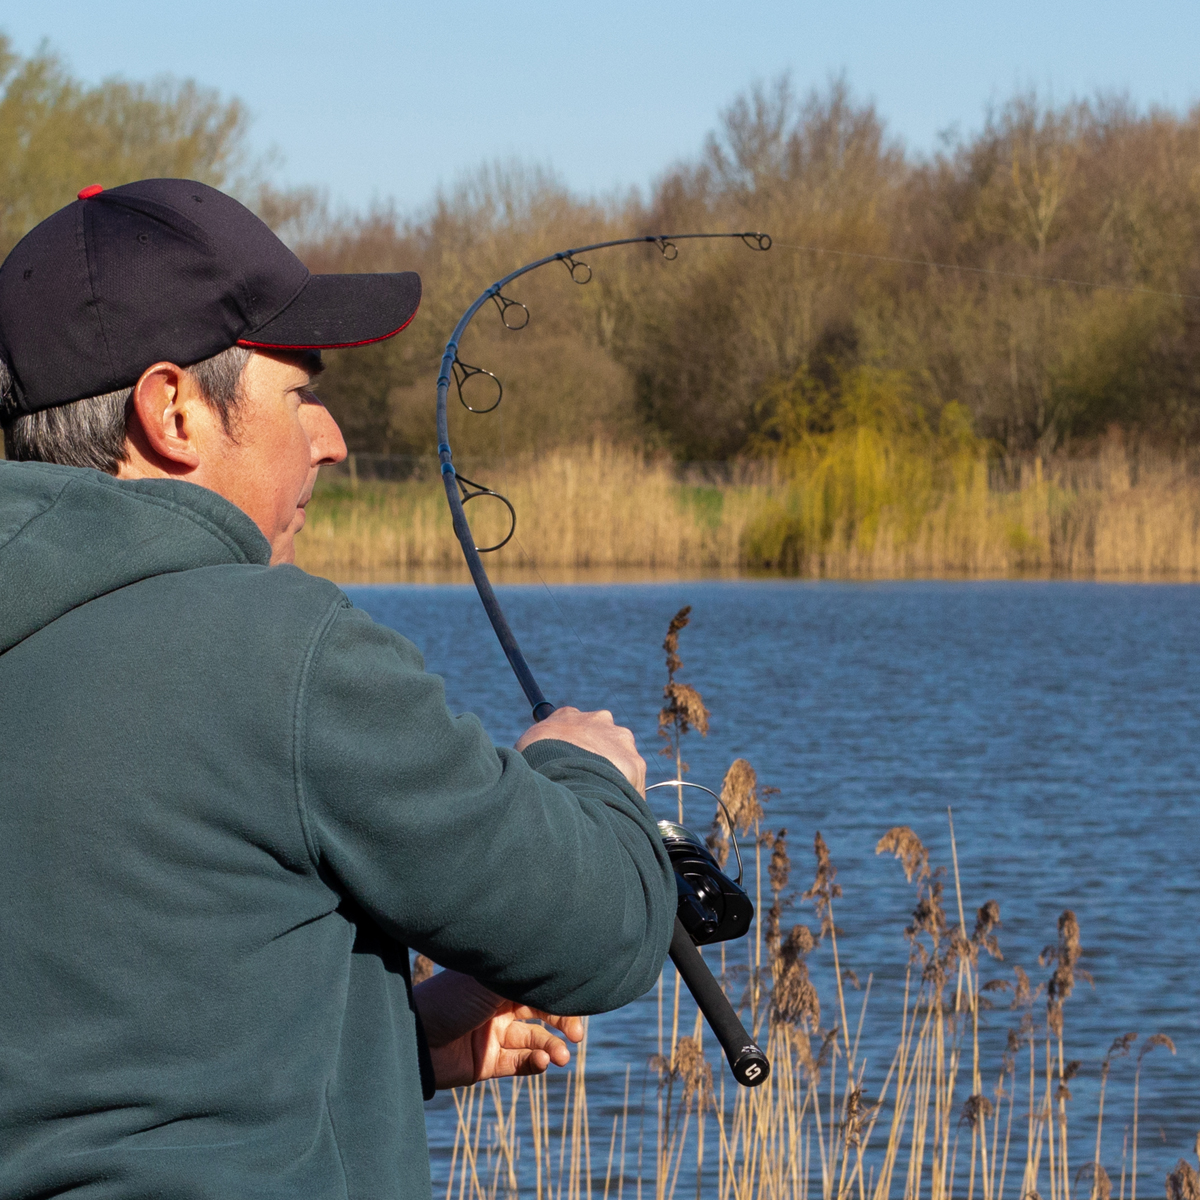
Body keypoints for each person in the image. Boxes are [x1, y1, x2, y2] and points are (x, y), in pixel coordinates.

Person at [0, 179, 676, 1199]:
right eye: (299, 393)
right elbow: (603, 934)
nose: (331, 438)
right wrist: (587, 774)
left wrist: (394, 1047)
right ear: (172, 409)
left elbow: (95, 1074)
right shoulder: (283, 651)